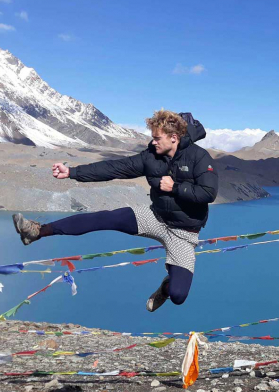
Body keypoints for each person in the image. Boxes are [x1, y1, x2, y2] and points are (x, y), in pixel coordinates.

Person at [11, 110, 218, 312]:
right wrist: (73, 172)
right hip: (155, 217)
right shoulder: (151, 157)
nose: (153, 142)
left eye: (157, 138)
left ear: (173, 137)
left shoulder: (198, 157)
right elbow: (113, 168)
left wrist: (174, 187)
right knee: (105, 218)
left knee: (178, 295)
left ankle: (166, 287)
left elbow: (209, 193)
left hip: (184, 232)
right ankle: (37, 231)